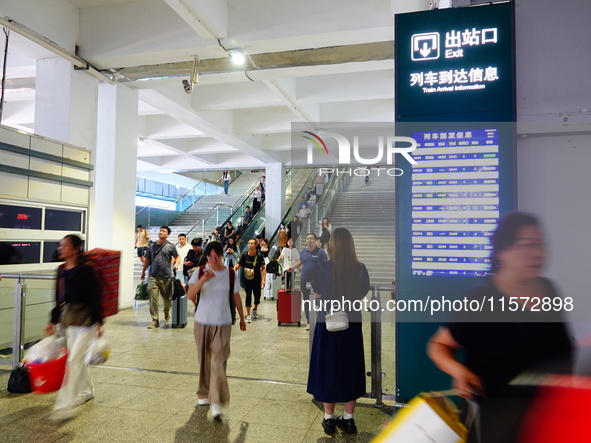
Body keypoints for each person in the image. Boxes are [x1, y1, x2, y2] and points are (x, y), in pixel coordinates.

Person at [427, 212, 573, 443]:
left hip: (545, 421)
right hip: (495, 426)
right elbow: (439, 345)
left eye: (540, 244)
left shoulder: (549, 289)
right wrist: (460, 372)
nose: (538, 252)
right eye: (528, 245)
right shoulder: (482, 300)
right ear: (503, 251)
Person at [307, 228, 370, 435]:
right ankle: (349, 419)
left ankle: (328, 419)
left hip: (328, 324)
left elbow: (316, 291)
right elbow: (362, 292)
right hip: (351, 325)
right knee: (350, 367)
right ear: (351, 246)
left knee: (328, 366)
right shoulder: (360, 268)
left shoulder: (321, 268)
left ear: (332, 245)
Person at [45, 234, 103, 420]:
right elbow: (58, 297)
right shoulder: (61, 269)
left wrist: (99, 322)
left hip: (87, 320)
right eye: (60, 245)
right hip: (69, 319)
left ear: (76, 248)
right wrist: (53, 320)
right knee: (76, 358)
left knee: (73, 361)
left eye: (65, 245)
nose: (61, 248)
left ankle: (65, 406)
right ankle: (88, 390)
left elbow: (95, 296)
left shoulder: (87, 269)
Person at [186, 241, 246, 420]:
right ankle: (203, 394)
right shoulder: (199, 271)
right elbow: (190, 295)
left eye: (216, 257)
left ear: (221, 256)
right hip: (202, 322)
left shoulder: (230, 274)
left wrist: (242, 318)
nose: (213, 260)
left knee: (219, 360)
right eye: (210, 257)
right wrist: (203, 279)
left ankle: (217, 402)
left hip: (223, 322)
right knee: (203, 360)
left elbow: (236, 296)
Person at [141, 226, 178, 329]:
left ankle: (166, 311)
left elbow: (177, 256)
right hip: (153, 276)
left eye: (164, 231)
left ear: (168, 235)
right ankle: (155, 320)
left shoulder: (170, 246)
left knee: (167, 299)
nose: (161, 232)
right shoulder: (152, 246)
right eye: (160, 230)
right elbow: (147, 259)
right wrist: (143, 271)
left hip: (167, 276)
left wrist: (176, 263)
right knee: (153, 298)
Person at [292, 233, 328, 330]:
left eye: (311, 238)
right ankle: (309, 321)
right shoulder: (303, 252)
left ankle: (320, 320)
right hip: (305, 279)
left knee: (318, 301)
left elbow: (325, 265)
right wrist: (292, 267)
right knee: (306, 301)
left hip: (317, 281)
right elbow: (300, 261)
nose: (309, 240)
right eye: (307, 238)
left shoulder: (321, 252)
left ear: (316, 240)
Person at [234, 239, 266, 323]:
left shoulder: (259, 256)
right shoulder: (244, 255)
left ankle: (255, 308)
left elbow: (263, 268)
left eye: (252, 243)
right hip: (247, 280)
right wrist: (234, 268)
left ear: (256, 245)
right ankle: (248, 315)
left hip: (256, 279)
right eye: (249, 243)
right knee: (248, 295)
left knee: (257, 296)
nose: (250, 245)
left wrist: (263, 280)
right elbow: (239, 264)